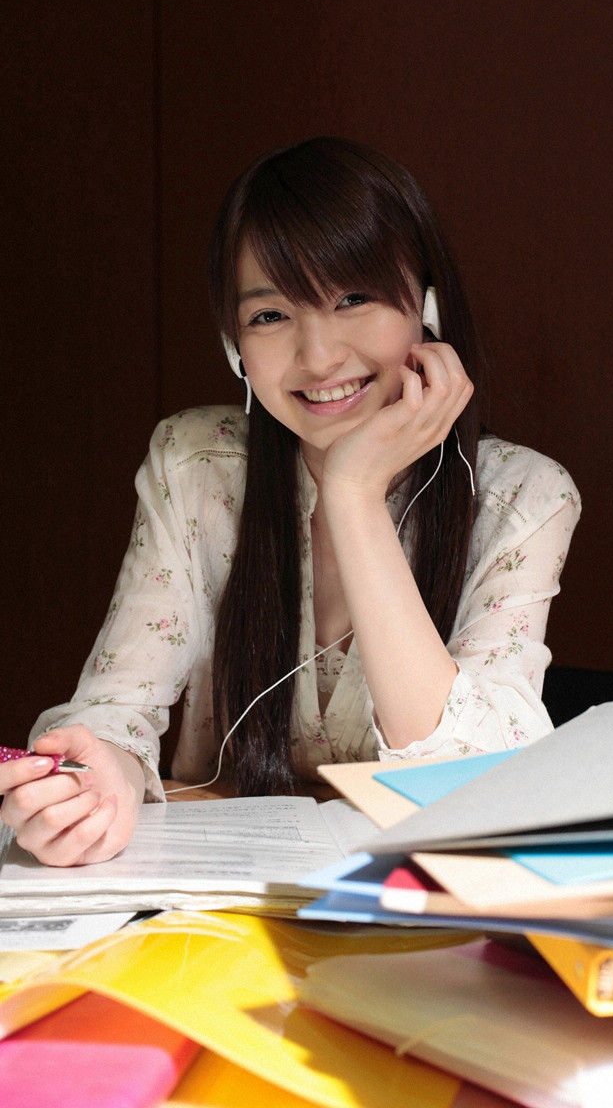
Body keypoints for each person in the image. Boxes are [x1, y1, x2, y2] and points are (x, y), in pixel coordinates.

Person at [0, 138, 580, 866]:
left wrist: (352, 493)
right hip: (221, 894)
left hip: (421, 907)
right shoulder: (196, 466)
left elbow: (477, 782)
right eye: (270, 315)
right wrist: (96, 782)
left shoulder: (522, 497)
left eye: (354, 298)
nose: (319, 357)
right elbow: (115, 712)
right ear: (233, 344)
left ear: (428, 308)